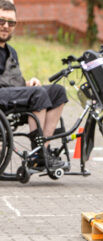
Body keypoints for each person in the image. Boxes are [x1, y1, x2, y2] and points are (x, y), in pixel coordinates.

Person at [0, 0, 67, 168]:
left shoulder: (11, 52)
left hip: (10, 94)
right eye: (1, 21)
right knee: (38, 94)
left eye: (11, 22)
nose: (6, 26)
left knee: (57, 91)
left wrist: (28, 84)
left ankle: (43, 149)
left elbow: (13, 81)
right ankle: (37, 154)